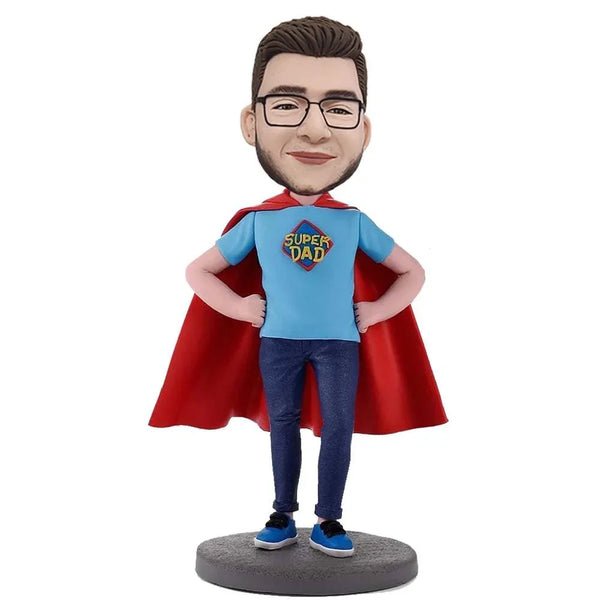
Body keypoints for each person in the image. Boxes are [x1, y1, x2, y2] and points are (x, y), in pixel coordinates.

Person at [149, 16, 447, 559]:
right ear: (252, 123)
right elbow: (198, 271)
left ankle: (329, 518)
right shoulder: (259, 221)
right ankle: (282, 512)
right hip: (278, 341)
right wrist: (239, 307)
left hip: (340, 342)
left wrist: (378, 311)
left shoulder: (353, 220)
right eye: (287, 105)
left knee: (339, 427)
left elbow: (413, 272)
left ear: (363, 129)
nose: (314, 130)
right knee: (281, 425)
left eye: (338, 108)